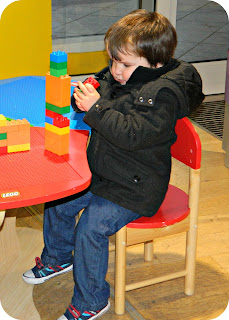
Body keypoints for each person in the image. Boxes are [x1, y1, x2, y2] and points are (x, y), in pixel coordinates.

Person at [22, 9, 204, 320]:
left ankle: (92, 300)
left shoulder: (161, 96)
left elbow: (132, 135)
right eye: (113, 61)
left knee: (91, 228)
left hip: (137, 185)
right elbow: (107, 87)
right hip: (106, 173)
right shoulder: (123, 74)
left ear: (155, 62)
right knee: (58, 199)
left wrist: (96, 107)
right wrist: (84, 93)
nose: (116, 70)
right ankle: (57, 258)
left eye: (125, 64)